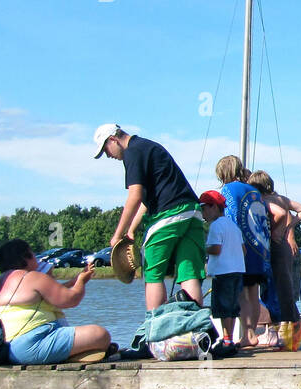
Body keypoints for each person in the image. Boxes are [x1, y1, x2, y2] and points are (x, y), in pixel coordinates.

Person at [96, 124, 206, 312]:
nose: (108, 155)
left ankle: (155, 329)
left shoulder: (132, 152)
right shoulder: (148, 147)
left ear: (113, 139)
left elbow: (135, 195)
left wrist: (118, 235)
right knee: (189, 273)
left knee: (153, 273)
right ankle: (194, 328)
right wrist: (131, 230)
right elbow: (148, 199)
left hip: (168, 215)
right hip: (192, 213)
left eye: (105, 149)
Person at [0, 238, 110, 364]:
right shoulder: (32, 277)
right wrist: (81, 282)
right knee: (101, 335)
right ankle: (69, 354)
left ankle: (65, 352)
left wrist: (75, 281)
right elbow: (71, 299)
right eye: (33, 255)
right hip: (32, 345)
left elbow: (52, 293)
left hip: (5, 349)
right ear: (26, 258)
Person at [215, 155, 274, 348]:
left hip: (242, 252)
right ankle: (251, 333)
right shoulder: (254, 190)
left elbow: (231, 218)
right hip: (259, 251)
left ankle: (247, 335)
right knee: (253, 293)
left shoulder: (228, 190)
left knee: (241, 295)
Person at [247, 170, 301, 346]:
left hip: (275, 247)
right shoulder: (282, 198)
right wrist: (291, 226)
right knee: (285, 289)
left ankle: (287, 337)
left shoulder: (265, 200)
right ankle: (290, 335)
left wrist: (277, 229)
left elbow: (280, 213)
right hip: (284, 247)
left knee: (277, 289)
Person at [200, 190, 244, 346]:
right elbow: (243, 250)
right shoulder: (233, 226)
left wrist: (202, 248)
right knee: (232, 307)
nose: (202, 214)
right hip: (238, 270)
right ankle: (229, 338)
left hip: (222, 272)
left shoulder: (216, 226)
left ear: (213, 207)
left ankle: (226, 340)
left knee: (223, 307)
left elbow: (216, 249)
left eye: (203, 209)